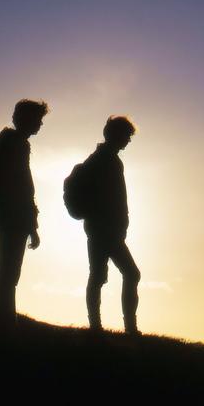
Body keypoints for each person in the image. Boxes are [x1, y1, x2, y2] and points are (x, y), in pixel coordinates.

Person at [0, 99, 48, 322]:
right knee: (9, 269)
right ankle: (3, 318)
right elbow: (22, 188)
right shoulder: (16, 144)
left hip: (7, 214)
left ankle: (2, 315)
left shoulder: (9, 141)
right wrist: (32, 225)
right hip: (12, 215)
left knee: (7, 268)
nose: (40, 125)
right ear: (26, 119)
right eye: (38, 120)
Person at [82, 115, 140, 335]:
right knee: (122, 274)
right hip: (102, 229)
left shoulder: (107, 159)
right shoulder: (104, 160)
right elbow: (108, 197)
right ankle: (118, 327)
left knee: (100, 275)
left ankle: (102, 326)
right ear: (116, 135)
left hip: (105, 228)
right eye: (126, 135)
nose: (128, 140)